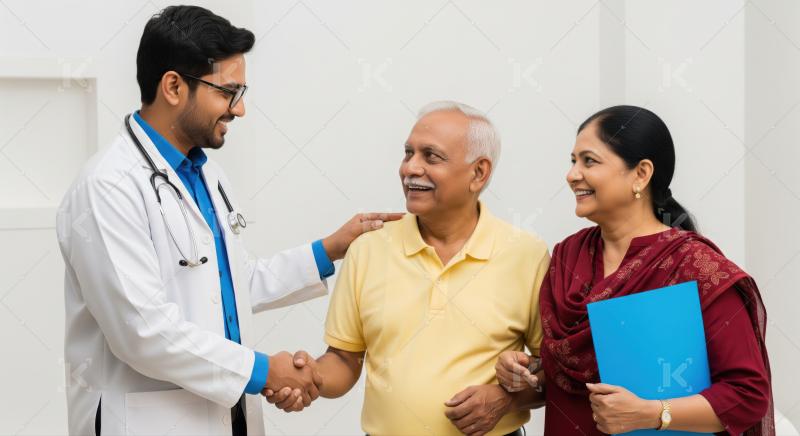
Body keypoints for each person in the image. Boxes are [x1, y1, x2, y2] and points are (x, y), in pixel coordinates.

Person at [57, 6, 400, 435]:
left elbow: (228, 285)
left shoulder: (206, 175)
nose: (239, 110)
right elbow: (142, 331)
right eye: (228, 92)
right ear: (173, 86)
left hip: (226, 416)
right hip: (149, 422)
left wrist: (329, 249)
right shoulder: (107, 187)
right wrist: (263, 372)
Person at [265, 101, 550, 435]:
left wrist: (507, 397)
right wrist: (311, 375)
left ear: (479, 173)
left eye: (431, 156)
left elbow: (554, 372)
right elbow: (344, 359)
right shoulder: (369, 247)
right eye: (407, 153)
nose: (410, 168)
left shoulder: (526, 254)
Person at [495, 105, 774, 435]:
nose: (572, 175)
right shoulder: (569, 257)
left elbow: (747, 395)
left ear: (641, 174)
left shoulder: (695, 268)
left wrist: (654, 414)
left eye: (589, 161)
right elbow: (569, 375)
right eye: (573, 161)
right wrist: (526, 370)